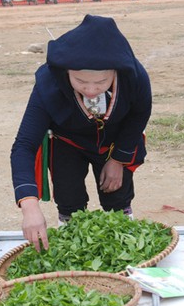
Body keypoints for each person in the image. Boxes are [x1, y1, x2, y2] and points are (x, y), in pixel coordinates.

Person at [11, 15, 152, 251]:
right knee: (69, 199)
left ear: (115, 72)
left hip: (114, 142)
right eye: (80, 81)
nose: (90, 90)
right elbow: (24, 145)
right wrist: (29, 205)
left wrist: (118, 159)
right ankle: (72, 244)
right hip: (67, 142)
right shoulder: (48, 82)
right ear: (66, 71)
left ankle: (125, 243)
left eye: (101, 82)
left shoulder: (134, 76)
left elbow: (139, 115)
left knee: (117, 196)